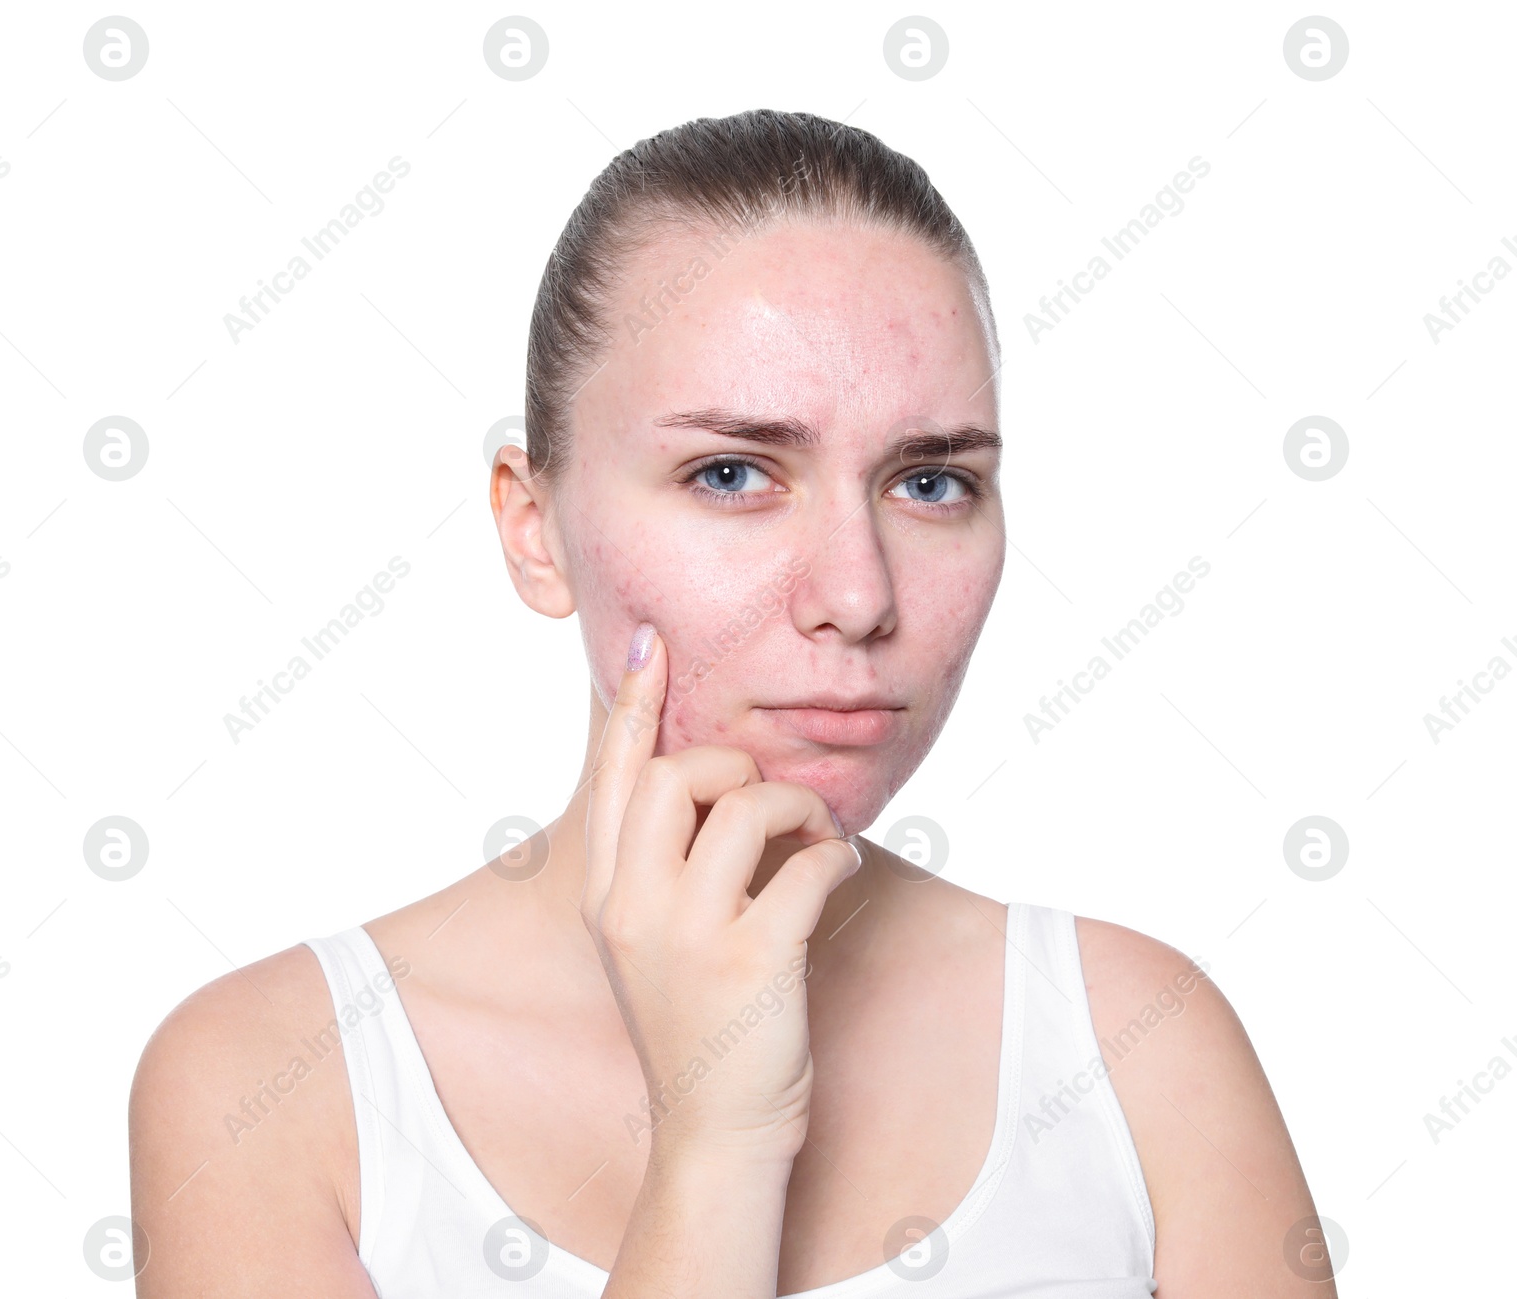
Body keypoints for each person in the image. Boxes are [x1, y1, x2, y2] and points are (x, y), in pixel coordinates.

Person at [130, 109, 1334, 1298]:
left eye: (930, 481)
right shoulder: (271, 1085)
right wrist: (718, 1140)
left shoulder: (1139, 1050)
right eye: (732, 474)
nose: (857, 596)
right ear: (532, 527)